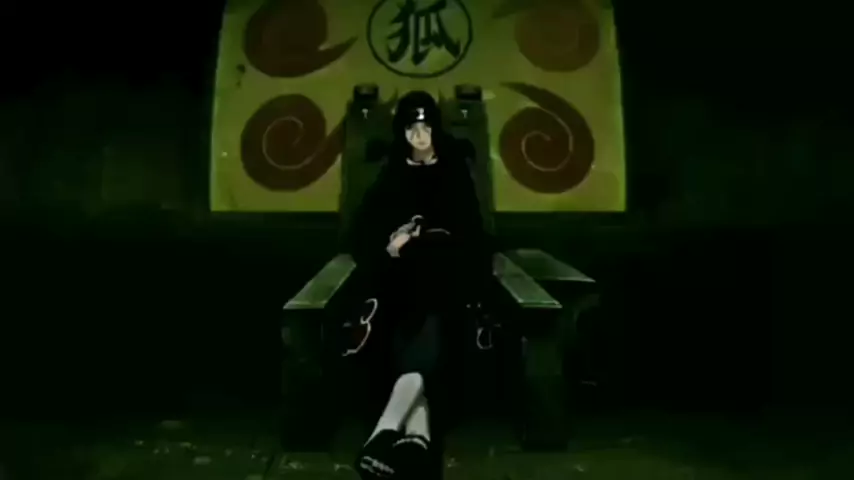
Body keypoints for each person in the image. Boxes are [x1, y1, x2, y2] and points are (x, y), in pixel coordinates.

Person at [344, 90, 490, 480]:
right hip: (395, 289)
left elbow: (470, 234)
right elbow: (363, 231)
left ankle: (383, 433)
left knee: (431, 331)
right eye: (411, 129)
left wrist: (422, 238)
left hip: (446, 286)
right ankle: (416, 439)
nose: (419, 137)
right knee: (403, 339)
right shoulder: (394, 174)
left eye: (425, 128)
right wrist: (390, 245)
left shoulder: (453, 174)